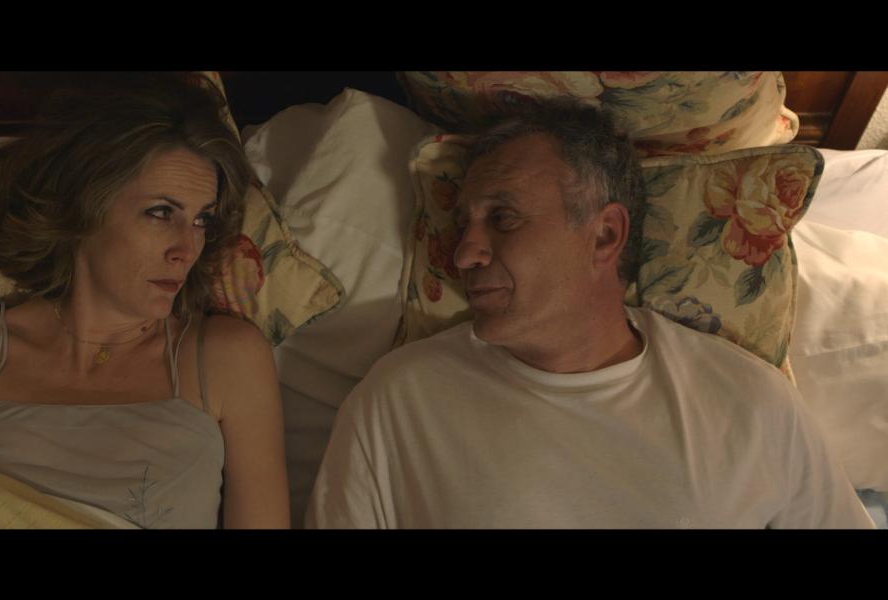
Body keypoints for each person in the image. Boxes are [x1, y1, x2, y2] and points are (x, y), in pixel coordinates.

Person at [306, 96, 875, 529]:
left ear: (604, 235)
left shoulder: (748, 402)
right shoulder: (399, 400)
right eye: (463, 225)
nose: (464, 254)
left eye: (502, 218)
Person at [0, 76, 290, 529]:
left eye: (202, 220)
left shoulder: (227, 358)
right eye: (161, 212)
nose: (186, 248)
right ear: (83, 205)